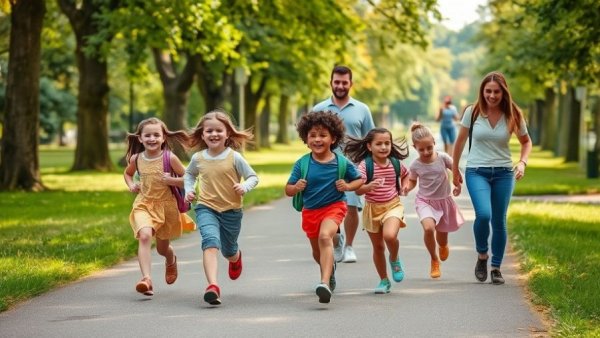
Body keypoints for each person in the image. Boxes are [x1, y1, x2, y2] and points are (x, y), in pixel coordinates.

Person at [452, 71, 532, 285]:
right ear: (482, 91)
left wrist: (522, 162)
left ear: (504, 92)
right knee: (484, 215)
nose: (492, 95)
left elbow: (526, 142)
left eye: (496, 91)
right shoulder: (473, 111)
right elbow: (459, 142)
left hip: (504, 173)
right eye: (488, 91)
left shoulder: (513, 113)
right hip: (477, 171)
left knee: (499, 220)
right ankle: (482, 256)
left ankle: (496, 267)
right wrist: (455, 170)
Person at [285, 111, 362, 304]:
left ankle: (324, 283)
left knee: (325, 237)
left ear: (333, 138)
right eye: (312, 135)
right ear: (306, 138)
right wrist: (296, 187)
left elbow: (359, 180)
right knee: (316, 252)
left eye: (322, 135)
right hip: (310, 211)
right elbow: (288, 190)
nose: (317, 139)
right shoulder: (302, 163)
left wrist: (348, 186)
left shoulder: (341, 162)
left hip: (334, 207)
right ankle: (330, 272)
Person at [184, 110, 259, 305]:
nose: (214, 134)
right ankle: (213, 286)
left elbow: (253, 177)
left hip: (231, 211)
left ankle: (236, 258)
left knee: (228, 250)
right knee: (210, 241)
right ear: (202, 135)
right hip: (206, 207)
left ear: (227, 134)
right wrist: (189, 190)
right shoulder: (198, 158)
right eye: (209, 131)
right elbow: (189, 175)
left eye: (219, 130)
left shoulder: (234, 157)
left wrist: (244, 186)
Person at [313, 65, 375, 263]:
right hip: (325, 166)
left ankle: (349, 246)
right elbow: (312, 139)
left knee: (350, 205)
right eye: (336, 82)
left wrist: (371, 165)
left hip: (352, 167)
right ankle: (336, 239)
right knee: (326, 206)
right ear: (331, 83)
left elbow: (371, 138)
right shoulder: (319, 109)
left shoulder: (362, 109)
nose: (340, 86)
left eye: (344, 82)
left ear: (351, 84)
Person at [123, 117, 190, 296]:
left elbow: (188, 180)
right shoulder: (136, 159)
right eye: (147, 135)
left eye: (156, 135)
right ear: (140, 138)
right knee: (144, 236)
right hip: (144, 203)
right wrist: (131, 185)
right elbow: (128, 174)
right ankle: (146, 279)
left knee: (162, 249)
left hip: (166, 207)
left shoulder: (171, 158)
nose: (152, 139)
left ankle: (170, 259)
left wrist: (172, 180)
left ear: (163, 138)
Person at [344, 127, 410, 294]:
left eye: (387, 143)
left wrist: (406, 185)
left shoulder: (395, 163)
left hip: (393, 206)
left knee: (389, 236)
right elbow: (358, 190)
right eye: (379, 144)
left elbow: (406, 174)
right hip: (372, 209)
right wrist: (368, 187)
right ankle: (384, 280)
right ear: (369, 146)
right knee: (378, 247)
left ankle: (394, 259)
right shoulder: (365, 166)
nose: (383, 147)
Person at [402, 123, 464, 279]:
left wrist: (457, 183)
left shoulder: (442, 158)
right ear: (414, 147)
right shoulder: (415, 164)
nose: (426, 152)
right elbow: (412, 181)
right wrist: (407, 188)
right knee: (429, 229)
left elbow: (454, 169)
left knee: (442, 237)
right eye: (421, 149)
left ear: (434, 143)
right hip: (425, 201)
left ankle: (443, 245)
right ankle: (434, 259)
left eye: (429, 147)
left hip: (443, 201)